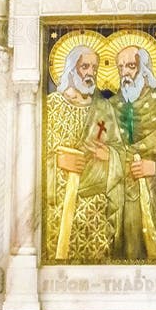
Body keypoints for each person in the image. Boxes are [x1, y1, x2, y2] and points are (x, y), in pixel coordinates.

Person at [45, 44, 124, 263]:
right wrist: (57, 160)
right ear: (72, 69)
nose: (91, 72)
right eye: (85, 66)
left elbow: (119, 151)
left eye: (95, 68)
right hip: (59, 208)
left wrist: (109, 156)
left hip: (96, 208)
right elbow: (32, 162)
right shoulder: (52, 106)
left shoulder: (103, 108)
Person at [110, 45, 156, 262]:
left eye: (130, 66)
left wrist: (155, 168)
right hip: (121, 197)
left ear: (144, 68)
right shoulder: (110, 107)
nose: (124, 73)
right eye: (120, 67)